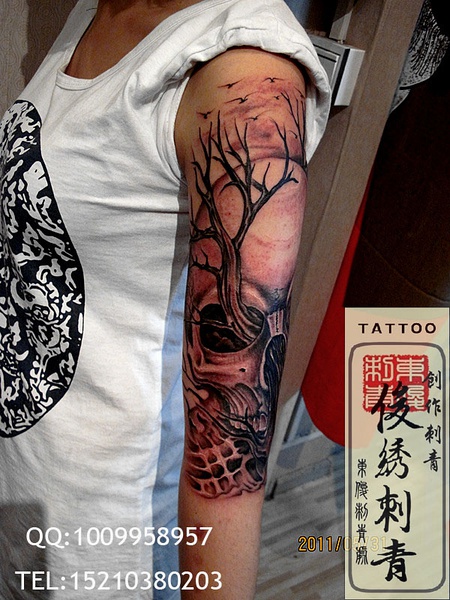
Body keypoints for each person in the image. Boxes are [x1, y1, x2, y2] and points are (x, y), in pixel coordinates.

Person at [0, 0, 330, 598]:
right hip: (27, 488)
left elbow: (229, 463)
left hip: (102, 546)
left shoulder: (245, 77)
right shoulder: (99, 11)